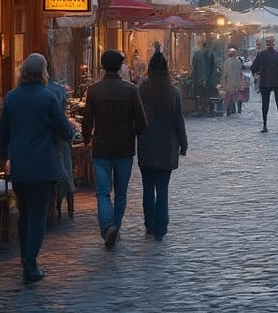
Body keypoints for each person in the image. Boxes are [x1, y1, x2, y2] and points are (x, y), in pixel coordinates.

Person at [0, 53, 74, 284]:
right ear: (43, 73)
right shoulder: (48, 98)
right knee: (38, 215)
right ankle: (30, 264)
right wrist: (68, 131)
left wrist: (4, 158)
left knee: (24, 213)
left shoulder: (11, 97)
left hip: (19, 164)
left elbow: (3, 133)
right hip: (42, 165)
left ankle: (25, 257)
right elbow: (64, 129)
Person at [82, 49, 148, 248]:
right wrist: (131, 133)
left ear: (102, 66)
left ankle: (108, 228)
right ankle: (115, 228)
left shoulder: (94, 90)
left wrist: (87, 140)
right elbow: (142, 123)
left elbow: (86, 122)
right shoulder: (130, 90)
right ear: (121, 66)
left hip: (101, 149)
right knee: (120, 193)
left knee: (102, 193)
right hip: (124, 149)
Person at [137, 52, 188, 241]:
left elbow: (136, 118)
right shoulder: (173, 91)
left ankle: (150, 224)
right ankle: (161, 226)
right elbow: (178, 121)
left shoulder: (141, 90)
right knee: (163, 189)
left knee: (148, 188)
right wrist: (183, 144)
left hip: (146, 145)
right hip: (167, 147)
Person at [45, 56, 75, 221]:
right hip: (57, 141)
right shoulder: (56, 91)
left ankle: (49, 207)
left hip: (37, 148)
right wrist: (69, 131)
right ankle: (66, 200)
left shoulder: (16, 94)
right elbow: (63, 120)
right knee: (65, 167)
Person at [250, 35, 278, 132]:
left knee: (265, 104)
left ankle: (265, 124)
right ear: (273, 43)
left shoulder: (261, 54)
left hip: (265, 82)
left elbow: (253, 68)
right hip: (277, 82)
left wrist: (257, 74)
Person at [190, 40, 217, 116]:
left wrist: (195, 76)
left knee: (201, 94)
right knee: (207, 94)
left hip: (200, 78)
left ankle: (202, 108)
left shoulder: (197, 54)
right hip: (208, 78)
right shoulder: (210, 54)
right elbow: (213, 67)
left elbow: (194, 66)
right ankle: (207, 108)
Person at [221, 47, 246, 116]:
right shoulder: (237, 62)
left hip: (231, 82)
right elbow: (239, 73)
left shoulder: (228, 62)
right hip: (234, 82)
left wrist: (223, 80)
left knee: (230, 96)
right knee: (233, 96)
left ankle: (231, 110)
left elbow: (225, 73)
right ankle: (234, 110)